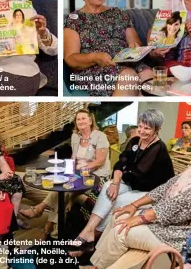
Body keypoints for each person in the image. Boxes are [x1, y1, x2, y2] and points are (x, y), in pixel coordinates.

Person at [88, 115, 191, 269]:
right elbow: (167, 186)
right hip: (175, 220)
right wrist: (134, 205)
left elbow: (183, 204)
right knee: (119, 216)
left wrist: (142, 217)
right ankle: (97, 263)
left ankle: (97, 266)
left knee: (120, 232)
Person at [69, 109, 174, 255]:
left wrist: (118, 180)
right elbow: (120, 163)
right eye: (140, 126)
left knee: (117, 200)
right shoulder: (134, 141)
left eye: (147, 128)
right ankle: (88, 231)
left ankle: (92, 240)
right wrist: (115, 183)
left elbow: (136, 174)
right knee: (107, 187)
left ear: (157, 129)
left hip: (152, 192)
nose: (142, 131)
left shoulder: (158, 148)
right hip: (133, 185)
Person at [19, 109, 111, 239]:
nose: (80, 121)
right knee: (62, 187)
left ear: (90, 121)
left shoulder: (100, 136)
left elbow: (99, 161)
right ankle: (48, 225)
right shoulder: (75, 136)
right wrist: (70, 172)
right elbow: (74, 157)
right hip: (79, 175)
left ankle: (44, 221)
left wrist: (81, 171)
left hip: (96, 177)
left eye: (84, 118)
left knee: (65, 192)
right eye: (78, 119)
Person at [64, 0, 153, 97]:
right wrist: (95, 57)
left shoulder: (119, 13)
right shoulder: (74, 19)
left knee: (149, 76)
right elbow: (71, 59)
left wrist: (135, 49)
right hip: (93, 69)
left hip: (126, 63)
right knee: (129, 77)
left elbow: (135, 43)